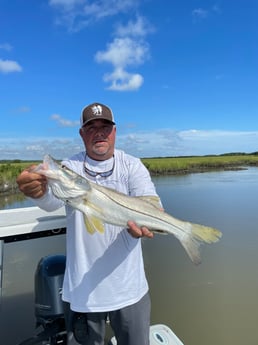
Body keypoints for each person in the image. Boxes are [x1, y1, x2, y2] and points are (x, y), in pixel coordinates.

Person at [16, 102, 161, 345]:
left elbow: (152, 204)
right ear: (82, 134)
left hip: (130, 289)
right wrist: (36, 190)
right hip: (83, 293)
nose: (99, 132)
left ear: (114, 132)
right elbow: (51, 201)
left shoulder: (132, 165)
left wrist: (150, 224)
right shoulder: (70, 167)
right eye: (91, 127)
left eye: (105, 126)